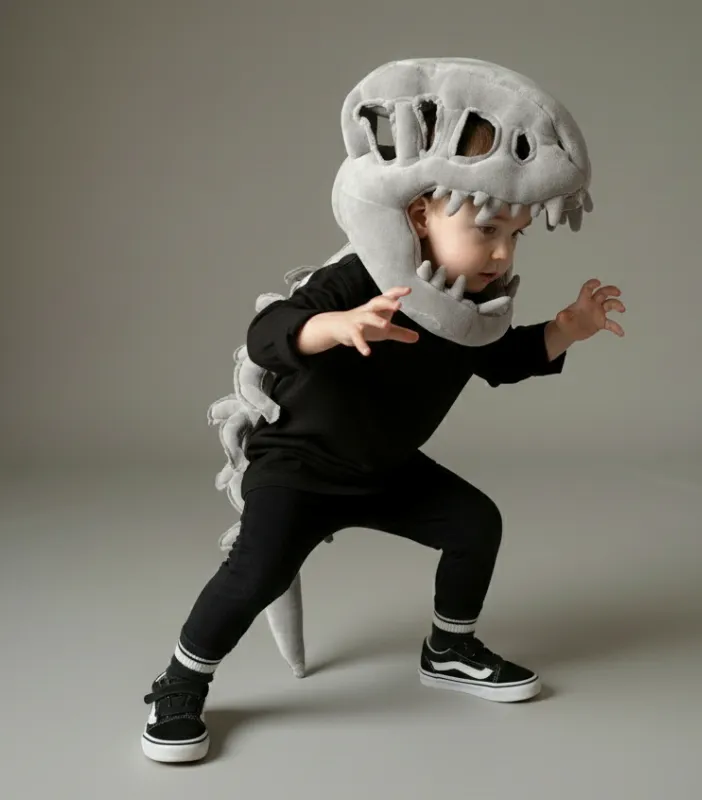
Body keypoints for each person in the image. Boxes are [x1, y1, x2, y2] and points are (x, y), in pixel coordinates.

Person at [141, 100, 625, 764]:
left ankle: (448, 648)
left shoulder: (472, 302)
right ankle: (180, 682)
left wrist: (567, 328)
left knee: (475, 524)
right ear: (422, 214)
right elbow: (266, 332)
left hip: (384, 467)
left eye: (516, 235)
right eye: (487, 229)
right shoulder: (363, 274)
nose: (502, 252)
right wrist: (334, 327)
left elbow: (501, 359)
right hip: (299, 466)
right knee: (256, 572)